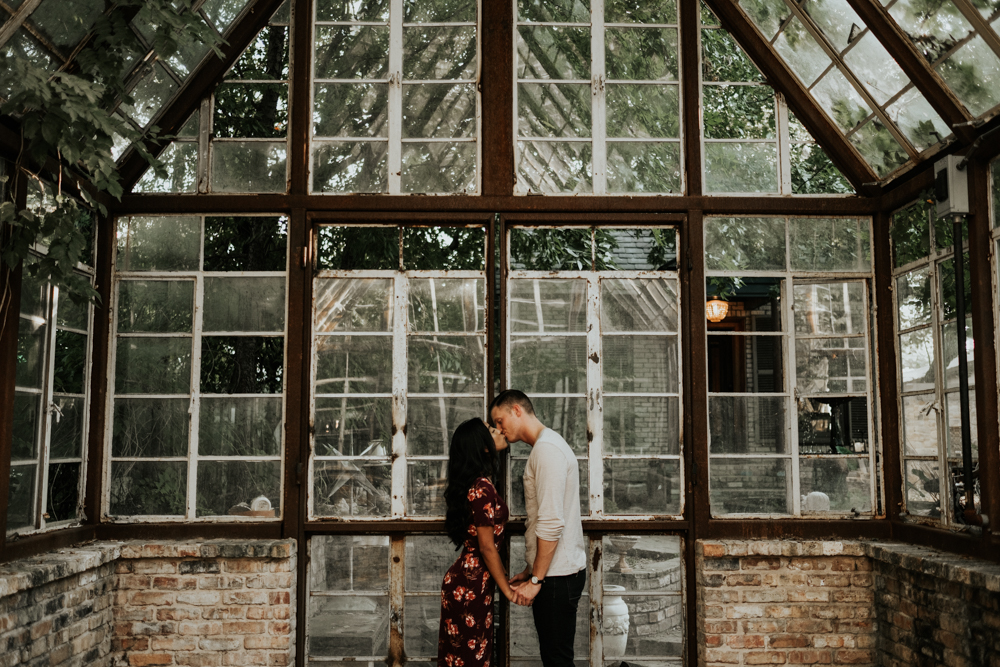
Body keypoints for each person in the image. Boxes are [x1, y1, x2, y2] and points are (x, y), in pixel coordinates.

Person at [488, 390, 586, 667]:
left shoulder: (547, 450)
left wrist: (536, 581)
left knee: (557, 660)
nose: (499, 429)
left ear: (517, 410)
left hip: (557, 577)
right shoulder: (546, 447)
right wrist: (532, 570)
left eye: (500, 420)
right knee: (555, 658)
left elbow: (552, 523)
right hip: (554, 574)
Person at [438, 419, 517, 667]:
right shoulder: (481, 487)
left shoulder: (479, 483)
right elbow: (486, 546)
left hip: (471, 581)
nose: (500, 431)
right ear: (483, 447)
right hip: (469, 585)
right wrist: (506, 588)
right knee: (471, 659)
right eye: (492, 431)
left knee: (469, 657)